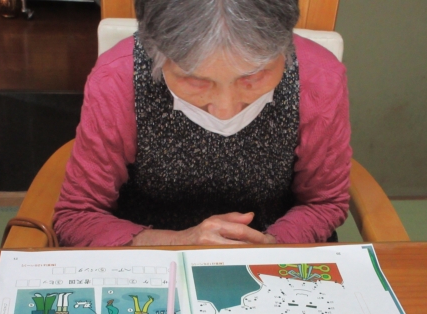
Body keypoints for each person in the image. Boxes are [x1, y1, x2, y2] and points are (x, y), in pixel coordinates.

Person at [54, 0, 351, 246]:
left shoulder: (319, 78)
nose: (224, 109)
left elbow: (324, 203)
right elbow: (78, 215)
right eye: (195, 80)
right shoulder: (118, 78)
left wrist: (268, 246)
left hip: (273, 247)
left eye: (253, 76)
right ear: (154, 51)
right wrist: (178, 242)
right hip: (151, 252)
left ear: (284, 48)